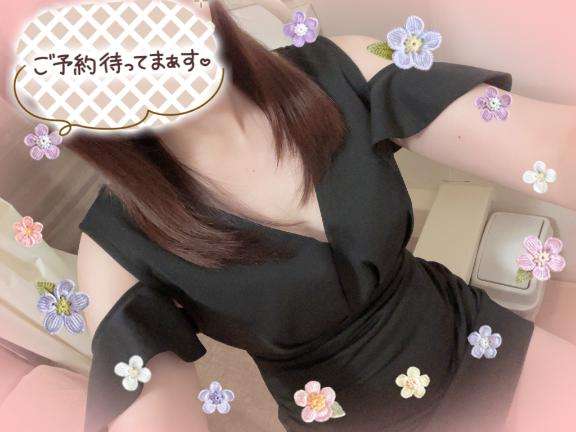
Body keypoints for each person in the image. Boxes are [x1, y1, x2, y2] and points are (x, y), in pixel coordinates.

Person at [72, 1, 576, 431]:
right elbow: (151, 411)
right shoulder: (112, 251)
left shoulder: (351, 63)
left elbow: (552, 145)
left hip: (476, 338)